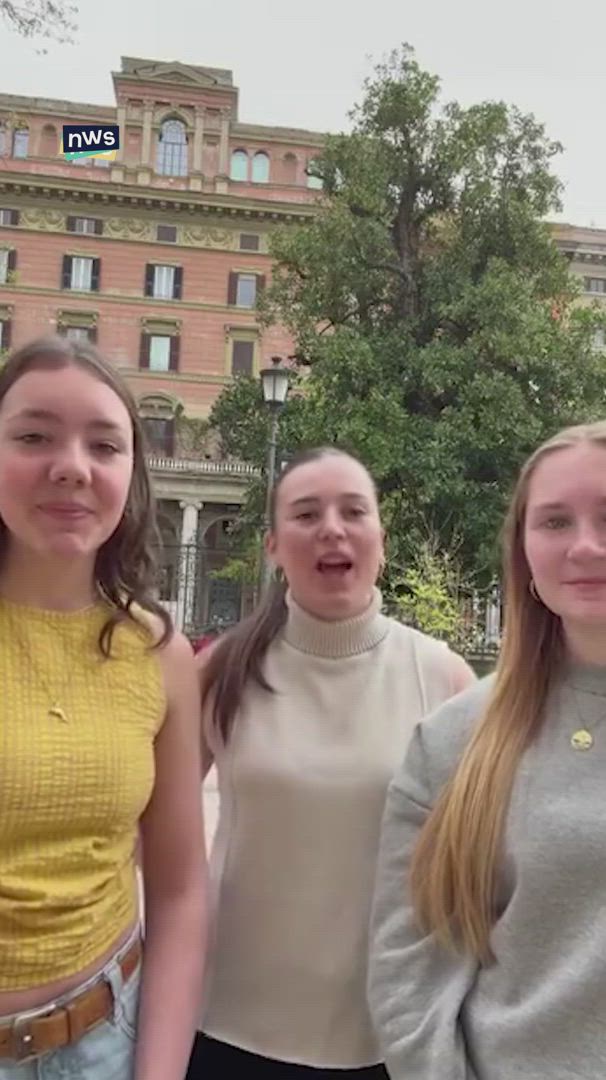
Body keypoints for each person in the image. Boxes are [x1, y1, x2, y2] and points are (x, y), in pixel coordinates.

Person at [187, 446, 475, 1080]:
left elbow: (478, 871)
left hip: (385, 1037)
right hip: (227, 1026)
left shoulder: (444, 679)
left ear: (382, 540)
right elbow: (160, 852)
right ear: (272, 546)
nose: (332, 529)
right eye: (306, 513)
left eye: (353, 511)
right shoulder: (219, 671)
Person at [368, 420, 606, 1080]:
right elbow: (408, 979)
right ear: (524, 551)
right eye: (554, 522)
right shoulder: (453, 742)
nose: (586, 545)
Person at [0, 336, 206, 1079]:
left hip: (102, 1045)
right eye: (33, 437)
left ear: (130, 476)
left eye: (105, 445)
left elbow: (179, 890)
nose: (72, 466)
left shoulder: (159, 654)